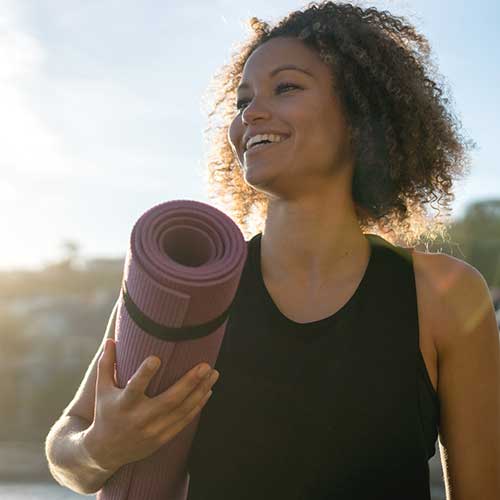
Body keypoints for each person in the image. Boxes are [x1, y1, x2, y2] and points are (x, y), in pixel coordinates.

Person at [45, 2, 500, 499]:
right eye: (243, 101)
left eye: (286, 87)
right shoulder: (192, 283)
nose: (250, 114)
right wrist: (100, 448)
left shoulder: (444, 295)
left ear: (360, 113)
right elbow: (68, 446)